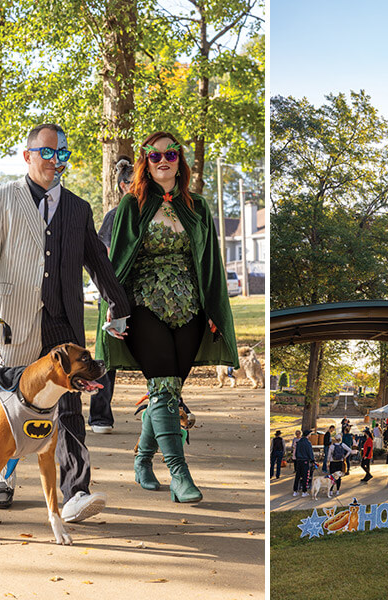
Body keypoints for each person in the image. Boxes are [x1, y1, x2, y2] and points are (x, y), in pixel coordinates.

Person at [0, 123, 130, 523]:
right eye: (47, 153)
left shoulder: (78, 208)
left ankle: (76, 492)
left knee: (69, 403)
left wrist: (118, 304)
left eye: (62, 155)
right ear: (28, 155)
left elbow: (97, 261)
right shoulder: (1, 197)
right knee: (9, 403)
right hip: (13, 319)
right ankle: (2, 476)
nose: (55, 162)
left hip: (63, 320)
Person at [96, 130, 237, 504]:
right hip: (143, 307)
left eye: (170, 155)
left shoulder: (199, 208)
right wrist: (115, 310)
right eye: (154, 155)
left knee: (168, 391)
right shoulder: (132, 206)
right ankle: (180, 474)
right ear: (144, 162)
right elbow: (116, 263)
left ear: (180, 161)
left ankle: (143, 459)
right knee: (163, 386)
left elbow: (208, 263)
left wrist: (213, 311)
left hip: (190, 308)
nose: (163, 160)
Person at [87, 157, 135, 435]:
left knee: (162, 354)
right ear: (123, 185)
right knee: (107, 354)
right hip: (115, 291)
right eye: (137, 182)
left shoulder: (159, 213)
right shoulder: (115, 216)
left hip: (151, 294)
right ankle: (100, 416)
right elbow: (102, 257)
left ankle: (174, 409)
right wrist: (111, 296)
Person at [293, 430, 314, 497]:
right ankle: (304, 491)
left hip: (299, 460)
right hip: (305, 460)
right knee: (305, 476)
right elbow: (310, 452)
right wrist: (312, 460)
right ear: (308, 435)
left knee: (298, 475)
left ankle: (295, 490)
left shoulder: (299, 442)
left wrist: (297, 457)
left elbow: (296, 451)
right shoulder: (308, 443)